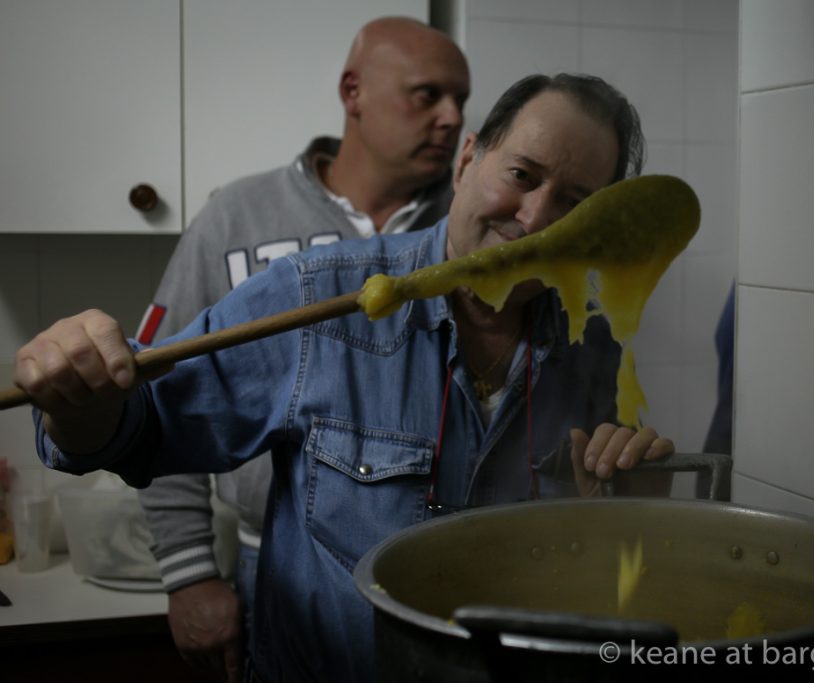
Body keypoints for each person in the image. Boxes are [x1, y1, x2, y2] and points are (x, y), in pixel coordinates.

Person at [17, 73, 675, 682]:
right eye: (522, 175)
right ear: (469, 159)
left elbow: (600, 571)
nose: (535, 219)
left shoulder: (593, 348)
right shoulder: (319, 299)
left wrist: (628, 505)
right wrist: (78, 398)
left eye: (575, 203)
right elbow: (142, 426)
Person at [134, 16, 469, 682]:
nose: (453, 117)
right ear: (353, 92)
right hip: (272, 567)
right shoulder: (236, 217)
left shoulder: (470, 230)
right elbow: (159, 389)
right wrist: (188, 571)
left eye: (461, 99)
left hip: (448, 571)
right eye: (427, 95)